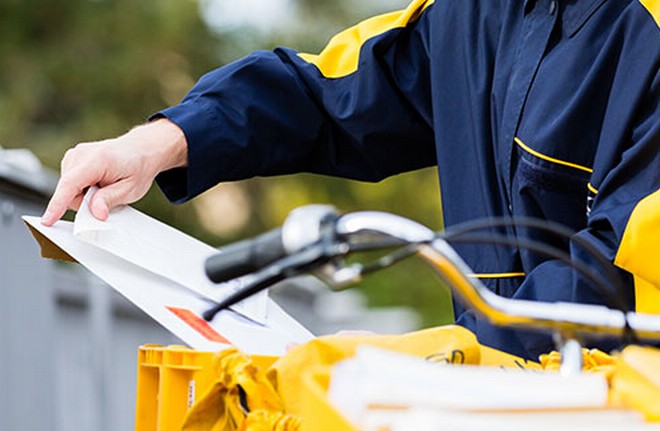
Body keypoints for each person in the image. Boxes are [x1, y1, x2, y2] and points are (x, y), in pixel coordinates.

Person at [41, 0, 660, 360]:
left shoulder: (644, 34)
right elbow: (333, 93)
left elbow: (616, 278)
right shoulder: (473, 13)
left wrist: (424, 363)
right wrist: (163, 141)